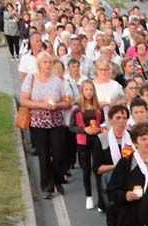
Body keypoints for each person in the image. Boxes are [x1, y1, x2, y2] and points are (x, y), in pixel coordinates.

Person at [21, 52, 71, 200]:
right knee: (43, 155)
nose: (48, 65)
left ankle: (57, 179)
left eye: (50, 62)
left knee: (58, 153)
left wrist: (57, 105)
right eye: (45, 62)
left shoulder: (57, 81)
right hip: (38, 122)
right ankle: (46, 187)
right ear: (39, 64)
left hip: (56, 121)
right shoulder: (31, 79)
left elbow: (66, 101)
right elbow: (24, 100)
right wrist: (41, 105)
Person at [93, 105, 133, 226]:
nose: (121, 121)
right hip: (109, 187)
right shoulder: (102, 139)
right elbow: (97, 168)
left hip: (127, 186)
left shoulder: (131, 138)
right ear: (110, 120)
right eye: (117, 118)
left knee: (127, 223)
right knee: (113, 224)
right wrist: (117, 166)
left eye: (124, 118)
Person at [71, 80, 105, 209]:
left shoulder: (99, 107)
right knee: (86, 170)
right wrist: (84, 130)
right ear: (82, 91)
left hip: (97, 140)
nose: (89, 92)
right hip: (83, 141)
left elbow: (103, 124)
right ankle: (88, 196)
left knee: (98, 169)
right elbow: (71, 126)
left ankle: (101, 199)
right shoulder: (76, 108)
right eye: (86, 90)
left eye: (91, 89)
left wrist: (99, 129)